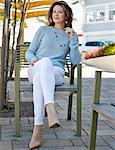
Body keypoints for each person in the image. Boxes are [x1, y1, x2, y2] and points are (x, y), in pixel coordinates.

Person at [25, 1, 81, 149]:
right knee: (44, 63)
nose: (56, 14)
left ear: (66, 15)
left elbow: (75, 61)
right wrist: (33, 59)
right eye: (54, 11)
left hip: (56, 73)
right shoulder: (43, 30)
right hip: (37, 67)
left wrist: (72, 40)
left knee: (42, 74)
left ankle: (38, 128)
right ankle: (50, 108)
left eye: (60, 12)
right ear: (51, 14)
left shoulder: (71, 36)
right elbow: (29, 52)